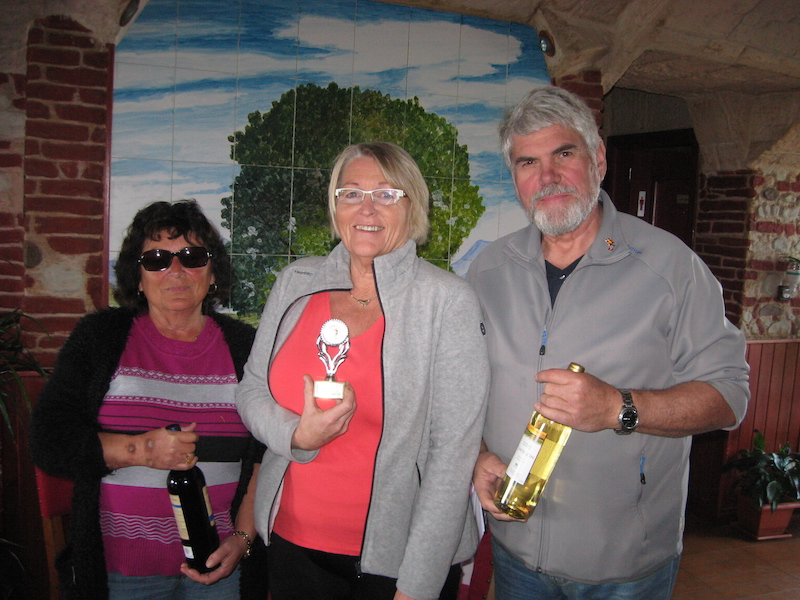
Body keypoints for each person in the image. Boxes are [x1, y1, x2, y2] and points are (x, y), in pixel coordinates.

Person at [467, 86, 750, 599]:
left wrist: (617, 408)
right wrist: (479, 456)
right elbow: (466, 388)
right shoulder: (488, 270)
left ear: (597, 158)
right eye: (528, 162)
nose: (547, 176)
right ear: (515, 177)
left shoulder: (671, 268)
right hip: (516, 550)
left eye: (564, 154)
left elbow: (729, 395)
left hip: (625, 563)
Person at [236, 141, 490, 600]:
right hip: (291, 542)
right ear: (335, 207)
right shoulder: (295, 283)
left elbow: (452, 455)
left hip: (397, 561)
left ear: (413, 207)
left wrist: (418, 585)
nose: (366, 208)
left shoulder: (446, 301)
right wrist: (297, 436)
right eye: (350, 193)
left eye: (387, 194)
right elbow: (252, 389)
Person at [29, 200, 266, 600]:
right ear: (137, 278)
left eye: (192, 257)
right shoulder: (100, 337)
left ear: (212, 274)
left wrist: (242, 539)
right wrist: (142, 450)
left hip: (221, 565)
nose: (176, 270)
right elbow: (49, 440)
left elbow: (266, 453)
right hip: (120, 570)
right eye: (156, 259)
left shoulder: (247, 346)